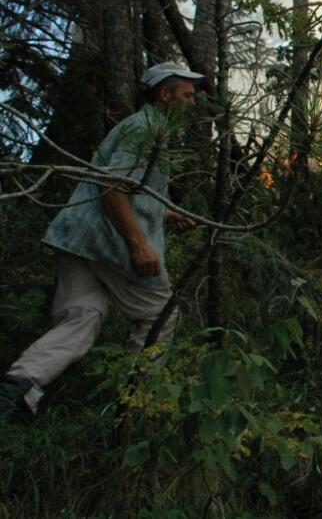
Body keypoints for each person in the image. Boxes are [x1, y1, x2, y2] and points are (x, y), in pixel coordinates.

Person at [0, 62, 203, 417]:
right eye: (187, 95)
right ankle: (137, 408)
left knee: (83, 316)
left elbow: (127, 188)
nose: (193, 102)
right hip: (105, 240)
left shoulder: (150, 130)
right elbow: (110, 186)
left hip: (76, 237)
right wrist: (139, 243)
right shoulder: (144, 129)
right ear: (165, 94)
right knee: (159, 313)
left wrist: (165, 214)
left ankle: (18, 387)